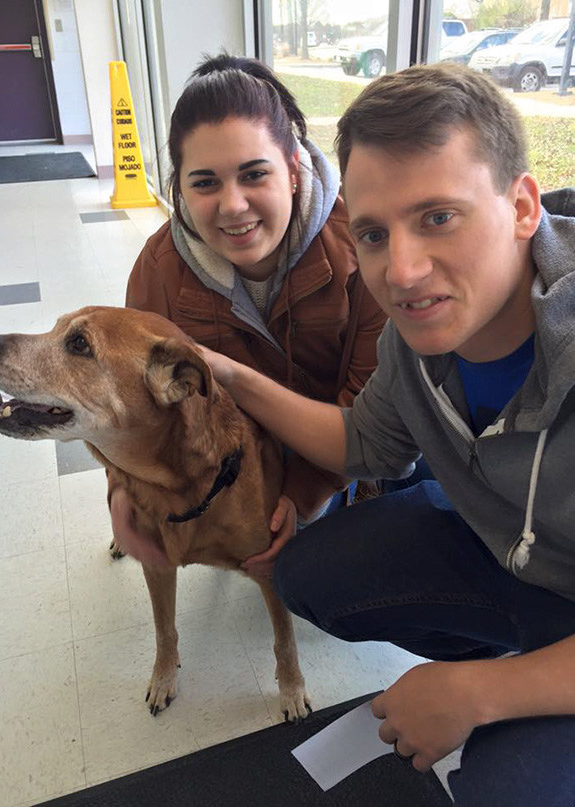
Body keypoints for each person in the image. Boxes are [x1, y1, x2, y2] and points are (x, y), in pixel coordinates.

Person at [200, 62, 575, 806]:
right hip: (524, 562)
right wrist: (236, 378)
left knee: (507, 790)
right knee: (310, 573)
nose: (400, 271)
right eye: (372, 232)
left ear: (522, 205)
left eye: (437, 216)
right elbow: (366, 445)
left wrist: (478, 692)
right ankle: (525, 657)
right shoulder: (415, 339)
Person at [109, 53, 386, 568]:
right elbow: (128, 398)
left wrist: (303, 494)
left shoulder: (364, 247)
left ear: (295, 169)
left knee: (314, 574)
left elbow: (368, 412)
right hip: (226, 457)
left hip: (332, 449)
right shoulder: (157, 271)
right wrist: (122, 489)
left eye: (254, 174)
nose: (232, 206)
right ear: (180, 189)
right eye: (205, 183)